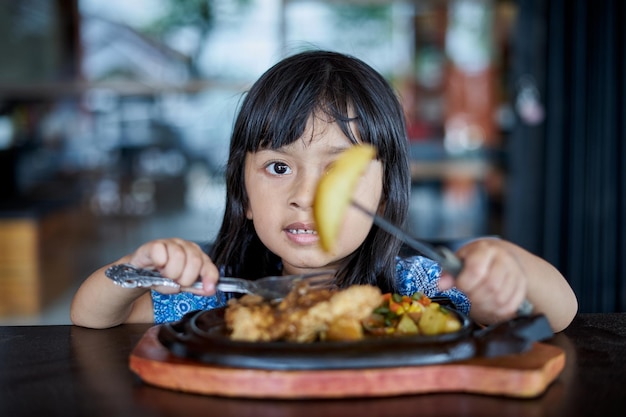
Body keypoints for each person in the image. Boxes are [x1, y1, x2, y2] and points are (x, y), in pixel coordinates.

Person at [70, 50, 577, 332]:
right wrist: (142, 269)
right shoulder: (217, 292)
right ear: (242, 194)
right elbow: (92, 319)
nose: (307, 195)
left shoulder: (418, 287)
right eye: (277, 167)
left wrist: (499, 263)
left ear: (382, 195)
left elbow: (561, 311)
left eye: (338, 172)